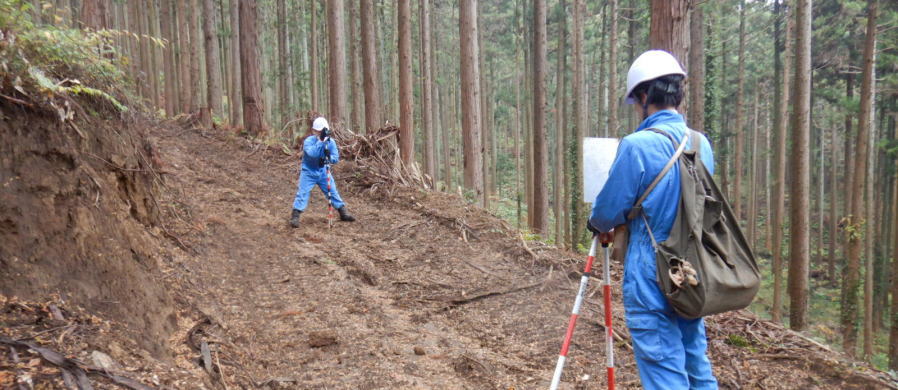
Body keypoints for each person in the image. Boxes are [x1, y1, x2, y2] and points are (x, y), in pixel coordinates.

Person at [587, 50, 718, 389]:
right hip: (692, 273)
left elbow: (607, 211)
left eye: (635, 101)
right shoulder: (700, 143)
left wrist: (600, 225)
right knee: (695, 364)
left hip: (651, 276)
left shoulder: (636, 146)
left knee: (664, 371)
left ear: (645, 96)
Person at [289, 117, 355, 228]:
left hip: (323, 171)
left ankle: (343, 212)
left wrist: (328, 158)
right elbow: (312, 154)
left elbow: (336, 158)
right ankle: (295, 215)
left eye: (323, 131)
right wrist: (320, 142)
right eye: (319, 131)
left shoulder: (331, 142)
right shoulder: (309, 141)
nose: (321, 133)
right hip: (308, 171)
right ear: (314, 131)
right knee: (303, 192)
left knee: (332, 191)